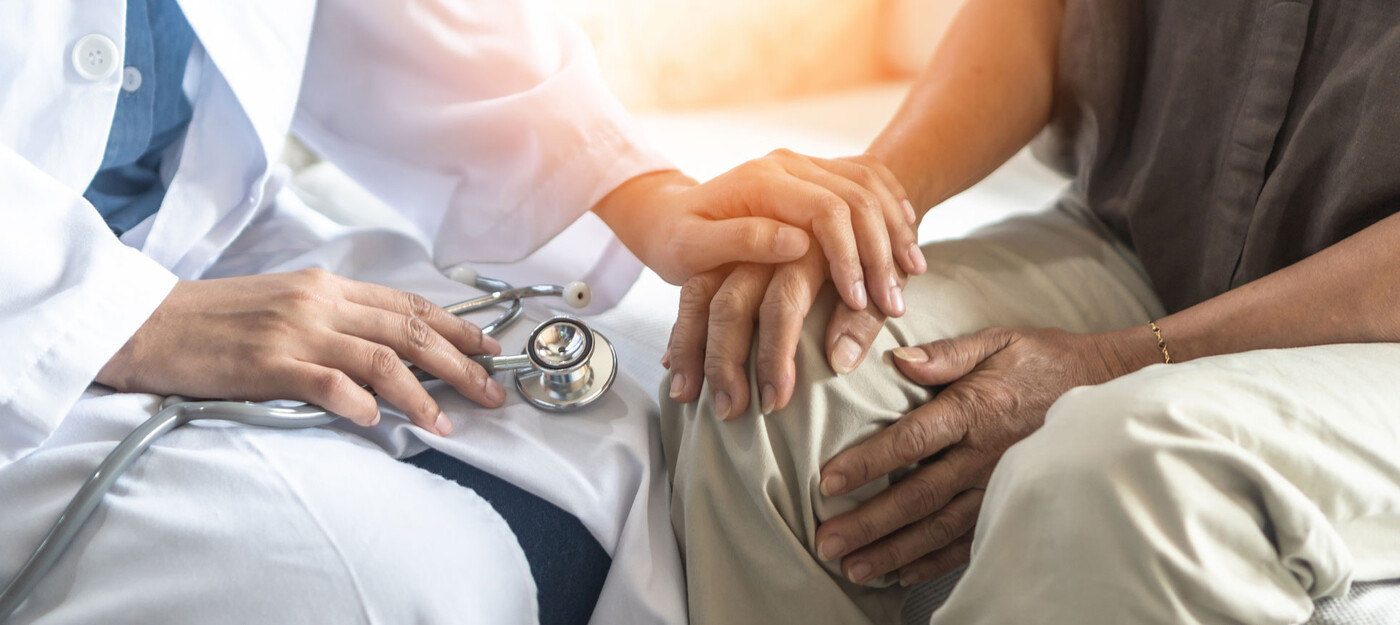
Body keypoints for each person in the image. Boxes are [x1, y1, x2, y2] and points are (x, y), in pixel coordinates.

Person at [0, 0, 922, 623]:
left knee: (650, 425)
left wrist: (643, 192)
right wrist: (131, 318)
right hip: (30, 298)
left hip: (211, 230)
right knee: (379, 582)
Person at [661, 0, 1400, 623]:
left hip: (1375, 329)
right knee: (777, 359)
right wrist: (869, 205)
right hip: (1149, 235)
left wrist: (1114, 363)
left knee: (1124, 469)